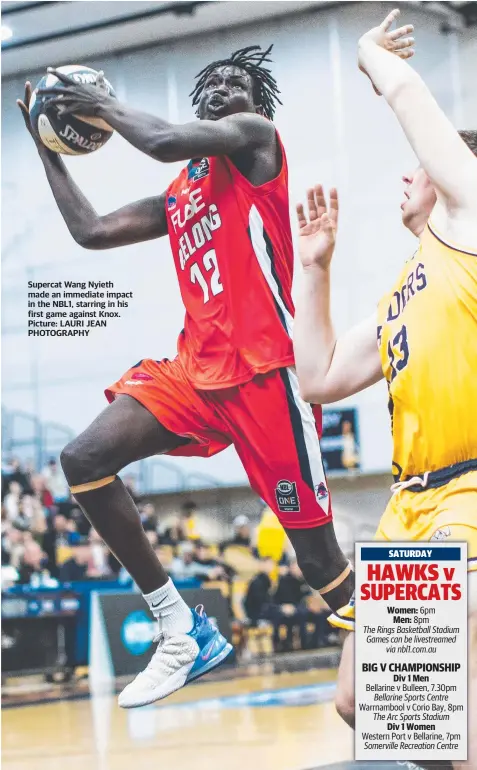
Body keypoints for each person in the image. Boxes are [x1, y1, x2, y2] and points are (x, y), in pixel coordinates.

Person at [17, 44, 353, 709]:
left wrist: (92, 103)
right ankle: (178, 626)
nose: (223, 87)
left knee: (318, 564)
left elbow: (166, 138)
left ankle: (418, 663)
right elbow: (90, 231)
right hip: (196, 373)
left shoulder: (256, 144)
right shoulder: (180, 194)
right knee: (83, 457)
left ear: (254, 106)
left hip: (268, 376)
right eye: (214, 82)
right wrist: (46, 144)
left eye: (237, 82)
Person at [293, 10, 477, 768]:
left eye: (419, 168)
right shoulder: (410, 282)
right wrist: (316, 266)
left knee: (436, 705)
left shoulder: (469, 226)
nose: (404, 173)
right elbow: (319, 377)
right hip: (409, 503)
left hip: (464, 494)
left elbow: (408, 97)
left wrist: (369, 56)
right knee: (363, 702)